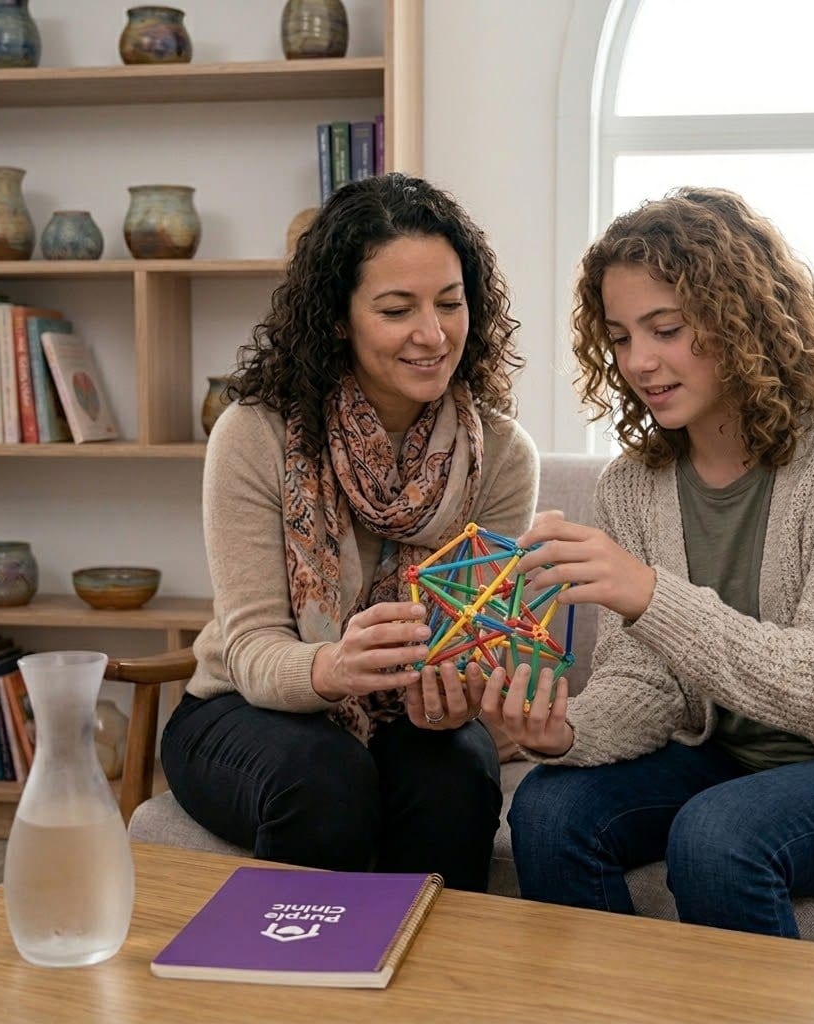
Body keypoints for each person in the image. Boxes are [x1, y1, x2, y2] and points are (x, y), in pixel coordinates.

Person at [478, 186, 814, 935]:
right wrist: (567, 733)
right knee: (549, 810)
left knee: (717, 839)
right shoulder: (632, 483)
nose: (640, 363)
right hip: (720, 757)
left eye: (667, 329)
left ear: (737, 317)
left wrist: (649, 593)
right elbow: (647, 687)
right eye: (620, 338)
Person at [161, 173, 539, 892]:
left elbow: (473, 642)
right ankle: (304, 992)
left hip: (404, 712)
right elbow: (249, 648)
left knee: (456, 780)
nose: (433, 334)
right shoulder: (255, 435)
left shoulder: (501, 454)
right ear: (340, 318)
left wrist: (460, 689)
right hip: (242, 705)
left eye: (450, 304)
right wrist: (332, 668)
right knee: (325, 780)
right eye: (398, 309)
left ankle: (434, 996)